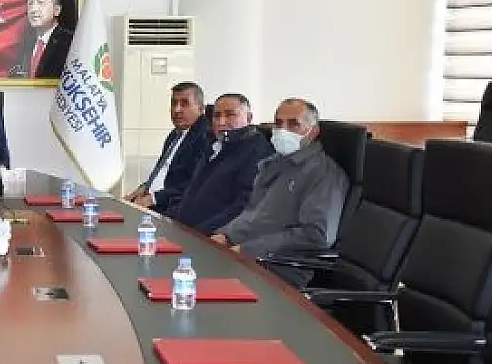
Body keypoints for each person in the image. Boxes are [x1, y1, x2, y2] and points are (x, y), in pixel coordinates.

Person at [212, 98, 349, 286]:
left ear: (313, 132)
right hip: (246, 255)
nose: (283, 130)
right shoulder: (273, 164)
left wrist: (247, 249)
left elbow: (317, 235)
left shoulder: (323, 173)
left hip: (279, 267)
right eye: (278, 123)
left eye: (293, 124)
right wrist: (225, 236)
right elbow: (253, 216)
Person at [169, 93, 274, 234]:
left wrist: (202, 232)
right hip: (184, 230)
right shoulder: (214, 145)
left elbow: (243, 206)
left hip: (212, 236)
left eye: (230, 115)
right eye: (217, 116)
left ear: (249, 118)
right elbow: (192, 192)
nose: (221, 122)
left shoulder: (256, 152)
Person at [126, 81, 211, 213]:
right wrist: (143, 188)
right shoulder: (175, 134)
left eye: (184, 104)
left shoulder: (205, 137)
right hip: (151, 202)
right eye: (174, 103)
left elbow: (194, 183)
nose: (177, 109)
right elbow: (162, 173)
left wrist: (153, 199)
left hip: (172, 208)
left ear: (201, 109)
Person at [20, 0, 74, 78]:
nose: (33, 9)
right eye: (30, 4)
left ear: (56, 10)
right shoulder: (25, 43)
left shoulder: (70, 41)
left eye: (40, 3)